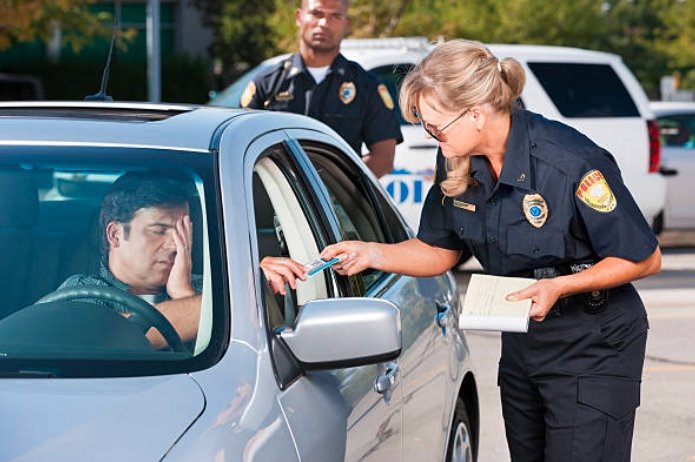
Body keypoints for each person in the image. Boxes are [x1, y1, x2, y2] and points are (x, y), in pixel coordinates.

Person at [320, 39, 661, 461]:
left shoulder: (568, 160)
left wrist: (562, 287)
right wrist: (371, 253)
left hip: (593, 344)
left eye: (435, 127)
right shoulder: (460, 161)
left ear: (477, 114)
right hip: (524, 342)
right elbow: (438, 250)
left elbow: (644, 257)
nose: (430, 136)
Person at [240, 0, 403, 178]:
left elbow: (384, 157)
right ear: (298, 17)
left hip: (338, 204)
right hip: (276, 200)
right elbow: (242, 148)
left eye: (335, 16)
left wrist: (338, 190)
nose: (324, 23)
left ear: (346, 24)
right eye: (317, 14)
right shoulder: (267, 84)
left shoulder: (367, 86)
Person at [58, 171, 202, 350]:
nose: (175, 246)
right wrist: (193, 306)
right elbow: (102, 341)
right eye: (158, 231)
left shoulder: (207, 290)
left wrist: (184, 293)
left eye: (181, 232)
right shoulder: (81, 292)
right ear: (115, 235)